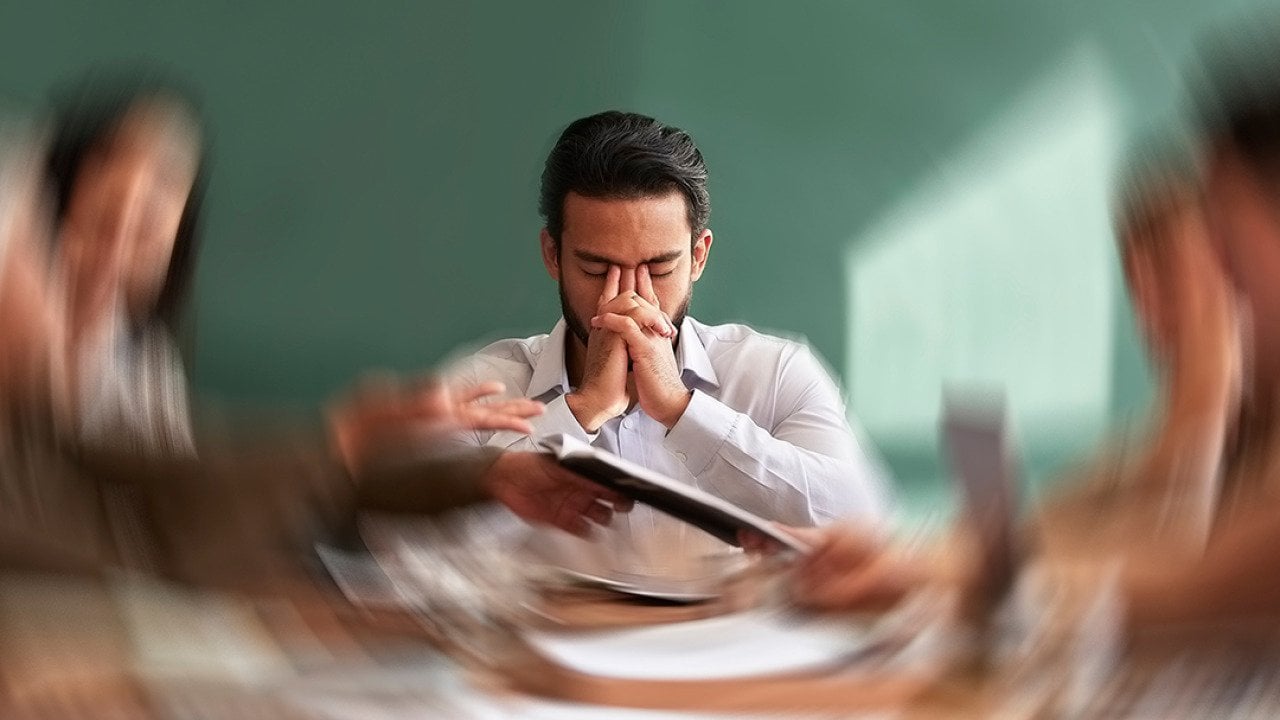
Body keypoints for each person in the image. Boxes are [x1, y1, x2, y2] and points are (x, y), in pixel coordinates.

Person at [443, 110, 889, 581]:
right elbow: (411, 551)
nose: (631, 299)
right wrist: (582, 409)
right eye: (597, 270)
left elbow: (861, 524)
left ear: (698, 256)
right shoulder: (482, 387)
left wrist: (683, 410)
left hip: (736, 649)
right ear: (553, 255)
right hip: (548, 651)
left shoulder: (775, 374)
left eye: (658, 269)